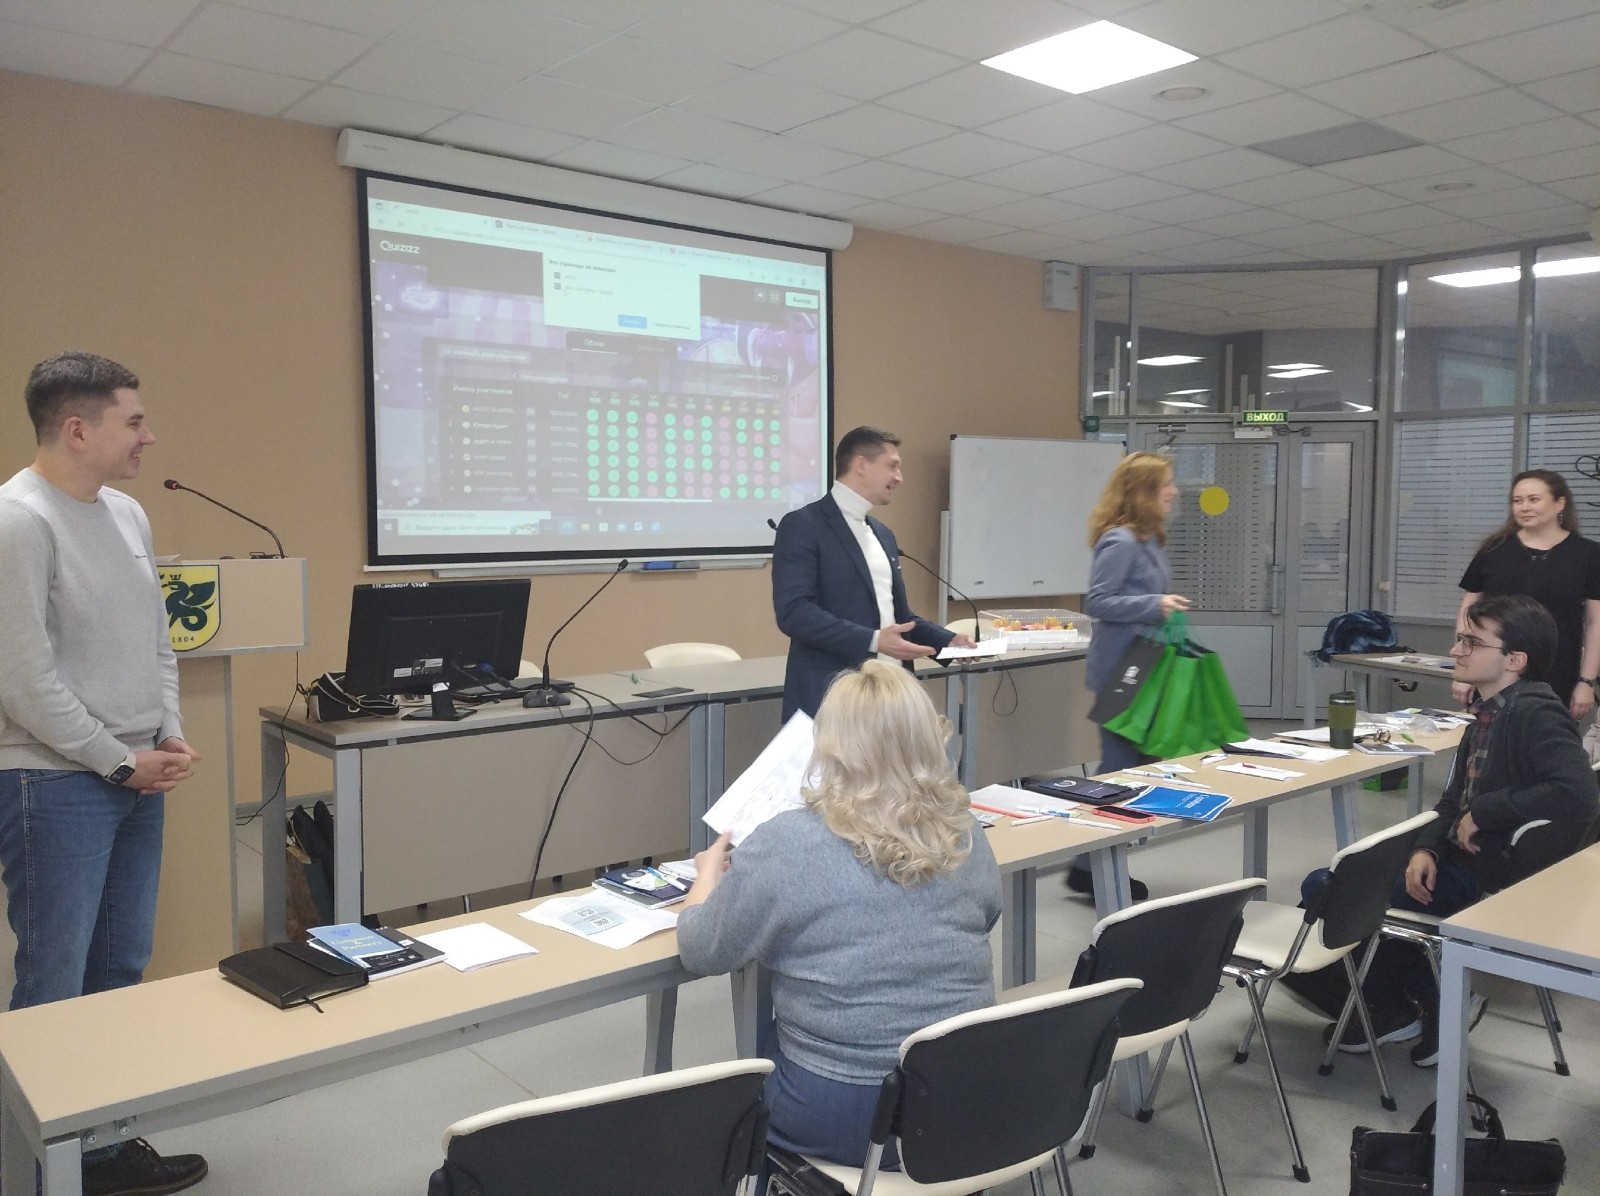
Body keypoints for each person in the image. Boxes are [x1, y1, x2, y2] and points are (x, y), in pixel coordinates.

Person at [0, 352, 209, 1196]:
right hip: (53, 784)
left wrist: (169, 732)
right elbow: (23, 683)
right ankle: (34, 1171)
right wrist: (119, 760)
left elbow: (157, 642)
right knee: (54, 982)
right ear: (77, 429)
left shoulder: (126, 513)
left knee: (119, 969)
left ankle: (99, 1153)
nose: (148, 437)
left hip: (133, 774)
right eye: (134, 421)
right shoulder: (18, 521)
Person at [677, 660, 1002, 1171]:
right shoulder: (964, 829)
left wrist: (706, 876)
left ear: (830, 748)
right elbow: (988, 914)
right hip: (966, 1098)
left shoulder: (787, 841)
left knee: (744, 1069)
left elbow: (701, 950)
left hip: (846, 1113)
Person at [1294, 594, 1598, 1067]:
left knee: (1324, 892)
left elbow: (1580, 793)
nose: (1456, 651)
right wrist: (1426, 849)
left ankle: (1408, 1004)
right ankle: (1416, 999)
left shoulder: (1535, 712)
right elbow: (1451, 803)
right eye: (1460, 640)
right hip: (1462, 860)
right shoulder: (1488, 714)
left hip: (1487, 875)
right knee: (1337, 889)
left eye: (1471, 643)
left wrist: (1486, 812)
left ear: (1514, 660)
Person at [771, 426, 972, 721]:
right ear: (862, 464)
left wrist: (948, 641)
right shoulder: (804, 525)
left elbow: (898, 618)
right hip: (833, 698)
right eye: (892, 466)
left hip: (892, 694)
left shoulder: (883, 533)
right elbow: (795, 612)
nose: (899, 478)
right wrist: (874, 640)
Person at [1070, 452, 1191, 899]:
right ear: (1144, 490)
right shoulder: (1120, 541)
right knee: (1119, 771)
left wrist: (1159, 605)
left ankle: (1090, 864)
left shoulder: (1148, 539)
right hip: (1122, 675)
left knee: (1136, 770)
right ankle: (1091, 866)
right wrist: (1154, 604)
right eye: (1167, 483)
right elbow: (1098, 602)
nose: (1174, 491)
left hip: (1146, 670)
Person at [1456, 469, 1600, 722]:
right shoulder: (1494, 549)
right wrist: (1465, 670)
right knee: (1488, 740)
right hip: (1493, 670)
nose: (1524, 507)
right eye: (1517, 500)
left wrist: (1586, 681)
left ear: (1560, 503)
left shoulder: (1588, 554)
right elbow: (1469, 610)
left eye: (1534, 499)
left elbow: (1595, 623)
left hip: (1559, 673)